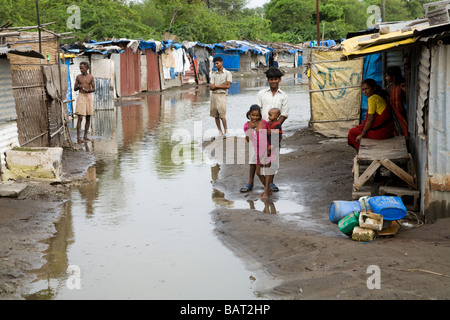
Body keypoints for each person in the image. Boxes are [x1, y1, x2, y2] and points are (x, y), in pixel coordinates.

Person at [244, 67, 288, 193]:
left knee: (272, 157)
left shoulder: (283, 96)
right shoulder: (262, 94)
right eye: (271, 79)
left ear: (279, 80)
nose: (273, 81)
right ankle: (250, 182)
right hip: (260, 129)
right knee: (254, 156)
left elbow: (284, 114)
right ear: (268, 80)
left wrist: (274, 127)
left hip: (274, 130)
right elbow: (257, 112)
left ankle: (271, 183)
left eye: (275, 79)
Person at [347, 79, 394, 151]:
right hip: (388, 131)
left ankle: (362, 151)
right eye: (363, 90)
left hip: (382, 133)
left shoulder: (372, 99)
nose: (365, 91)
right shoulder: (379, 96)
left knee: (352, 132)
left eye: (367, 89)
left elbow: (370, 119)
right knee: (358, 129)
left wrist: (362, 135)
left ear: (374, 88)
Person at [240, 104, 268, 194]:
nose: (255, 117)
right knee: (253, 163)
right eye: (253, 115)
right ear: (249, 114)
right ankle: (250, 183)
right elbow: (248, 139)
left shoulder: (263, 122)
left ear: (260, 115)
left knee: (266, 167)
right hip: (253, 146)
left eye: (257, 115)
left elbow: (268, 134)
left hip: (264, 147)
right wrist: (251, 128)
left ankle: (268, 186)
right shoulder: (247, 124)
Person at [259, 108, 283, 200]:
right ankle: (267, 189)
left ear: (277, 116)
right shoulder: (269, 123)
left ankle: (266, 191)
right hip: (268, 147)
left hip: (273, 148)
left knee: (269, 168)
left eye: (271, 115)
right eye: (268, 115)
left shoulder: (277, 125)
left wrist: (270, 149)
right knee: (267, 168)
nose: (269, 117)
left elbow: (277, 139)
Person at [209, 56, 232, 138]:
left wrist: (216, 86)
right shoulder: (214, 74)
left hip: (222, 95)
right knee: (215, 115)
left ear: (221, 62)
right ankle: (220, 131)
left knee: (222, 115)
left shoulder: (227, 73)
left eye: (217, 63)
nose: (216, 65)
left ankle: (226, 131)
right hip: (214, 95)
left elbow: (227, 86)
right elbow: (211, 87)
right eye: (215, 64)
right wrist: (222, 85)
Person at [74, 62, 95, 143]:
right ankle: (79, 138)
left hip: (88, 96)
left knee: (88, 117)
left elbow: (94, 89)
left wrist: (88, 90)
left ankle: (85, 136)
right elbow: (74, 88)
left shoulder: (91, 77)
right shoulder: (78, 77)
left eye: (82, 68)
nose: (81, 69)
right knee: (80, 117)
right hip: (81, 96)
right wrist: (78, 87)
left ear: (87, 68)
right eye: (80, 68)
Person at [385, 66, 408, 139]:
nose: (386, 78)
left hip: (400, 113)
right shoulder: (389, 88)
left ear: (393, 77)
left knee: (403, 128)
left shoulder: (402, 86)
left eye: (387, 76)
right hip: (392, 114)